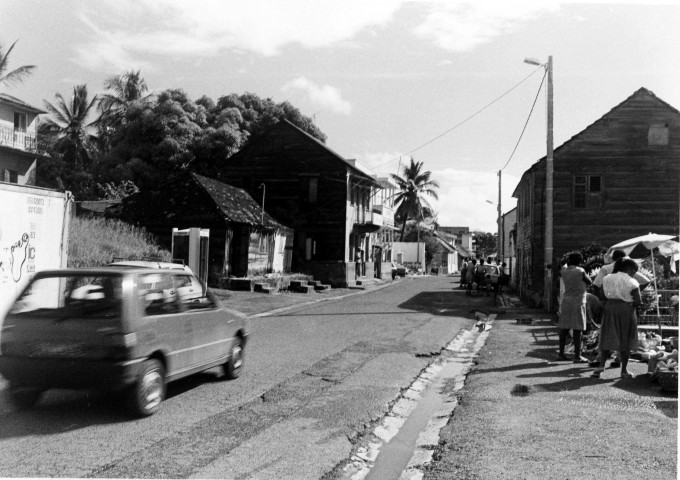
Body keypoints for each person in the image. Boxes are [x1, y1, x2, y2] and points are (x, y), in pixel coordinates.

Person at [591, 257, 642, 379]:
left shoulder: (606, 278)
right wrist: (631, 305)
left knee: (607, 336)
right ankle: (624, 371)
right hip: (626, 310)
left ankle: (600, 366)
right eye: (634, 271)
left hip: (610, 308)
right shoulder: (632, 281)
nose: (634, 274)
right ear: (630, 270)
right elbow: (638, 301)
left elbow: (603, 296)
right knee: (625, 338)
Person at [556, 252, 592, 362]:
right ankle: (577, 356)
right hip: (578, 301)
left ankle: (561, 354)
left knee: (564, 328)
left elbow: (560, 268)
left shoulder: (564, 271)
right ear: (579, 261)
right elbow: (589, 281)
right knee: (577, 329)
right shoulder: (580, 271)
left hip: (566, 301)